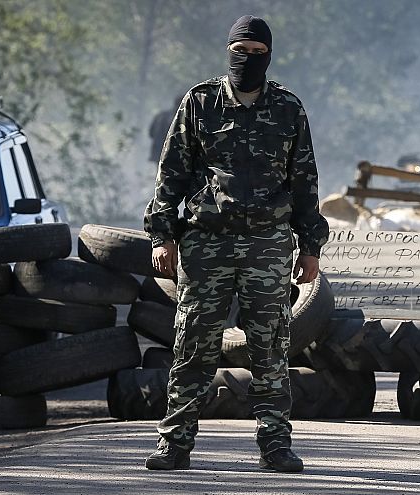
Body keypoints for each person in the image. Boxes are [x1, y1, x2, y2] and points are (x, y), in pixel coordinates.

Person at [142, 15, 329, 473]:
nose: (248, 58)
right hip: (207, 242)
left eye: (257, 52)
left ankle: (275, 446)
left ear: (269, 55)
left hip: (268, 243)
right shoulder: (200, 102)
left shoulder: (288, 108)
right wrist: (162, 235)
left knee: (270, 347)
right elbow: (171, 173)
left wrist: (310, 247)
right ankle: (175, 444)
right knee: (194, 343)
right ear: (228, 51)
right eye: (240, 50)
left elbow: (304, 180)